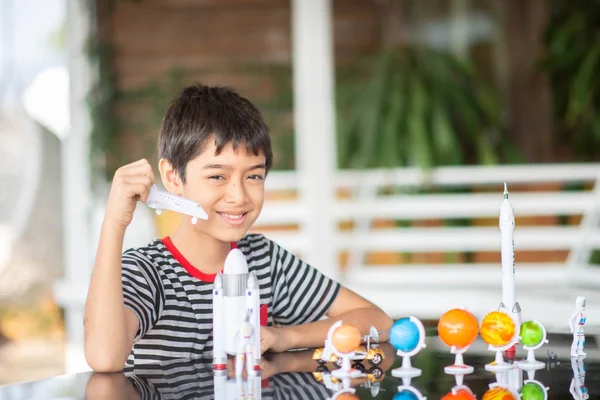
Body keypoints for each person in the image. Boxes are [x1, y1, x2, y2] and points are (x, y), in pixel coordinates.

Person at [83, 83, 393, 371]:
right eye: (217, 176)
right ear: (173, 177)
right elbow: (104, 358)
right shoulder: (147, 272)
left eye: (254, 176)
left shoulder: (266, 260)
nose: (239, 196)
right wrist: (114, 224)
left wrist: (284, 338)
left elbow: (378, 322)